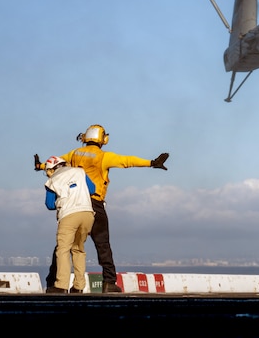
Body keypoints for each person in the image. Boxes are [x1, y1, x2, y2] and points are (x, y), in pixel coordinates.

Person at [35, 124, 169, 293]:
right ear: (103, 139)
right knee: (102, 245)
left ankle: (54, 282)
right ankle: (109, 282)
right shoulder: (103, 156)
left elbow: (55, 163)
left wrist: (40, 166)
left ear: (85, 138)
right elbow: (127, 161)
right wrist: (151, 163)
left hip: (71, 204)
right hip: (94, 204)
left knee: (63, 247)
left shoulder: (74, 153)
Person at [43, 156, 96, 294]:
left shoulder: (52, 180)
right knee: (78, 249)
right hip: (87, 213)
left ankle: (61, 285)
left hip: (68, 216)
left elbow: (49, 204)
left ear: (50, 170)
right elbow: (92, 189)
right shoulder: (79, 172)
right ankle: (78, 286)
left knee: (63, 250)